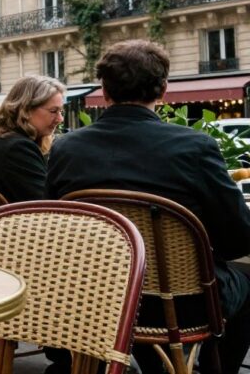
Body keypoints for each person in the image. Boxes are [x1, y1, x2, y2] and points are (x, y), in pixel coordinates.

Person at [47, 40, 250, 374]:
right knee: (243, 287)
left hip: (95, 302)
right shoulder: (195, 146)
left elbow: (56, 227)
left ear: (104, 89)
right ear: (164, 89)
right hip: (182, 307)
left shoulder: (66, 148)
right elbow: (238, 240)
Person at [0, 75, 66, 203]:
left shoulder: (2, 140)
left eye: (61, 112)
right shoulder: (16, 148)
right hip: (6, 222)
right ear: (26, 109)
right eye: (53, 111)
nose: (60, 119)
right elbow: (47, 204)